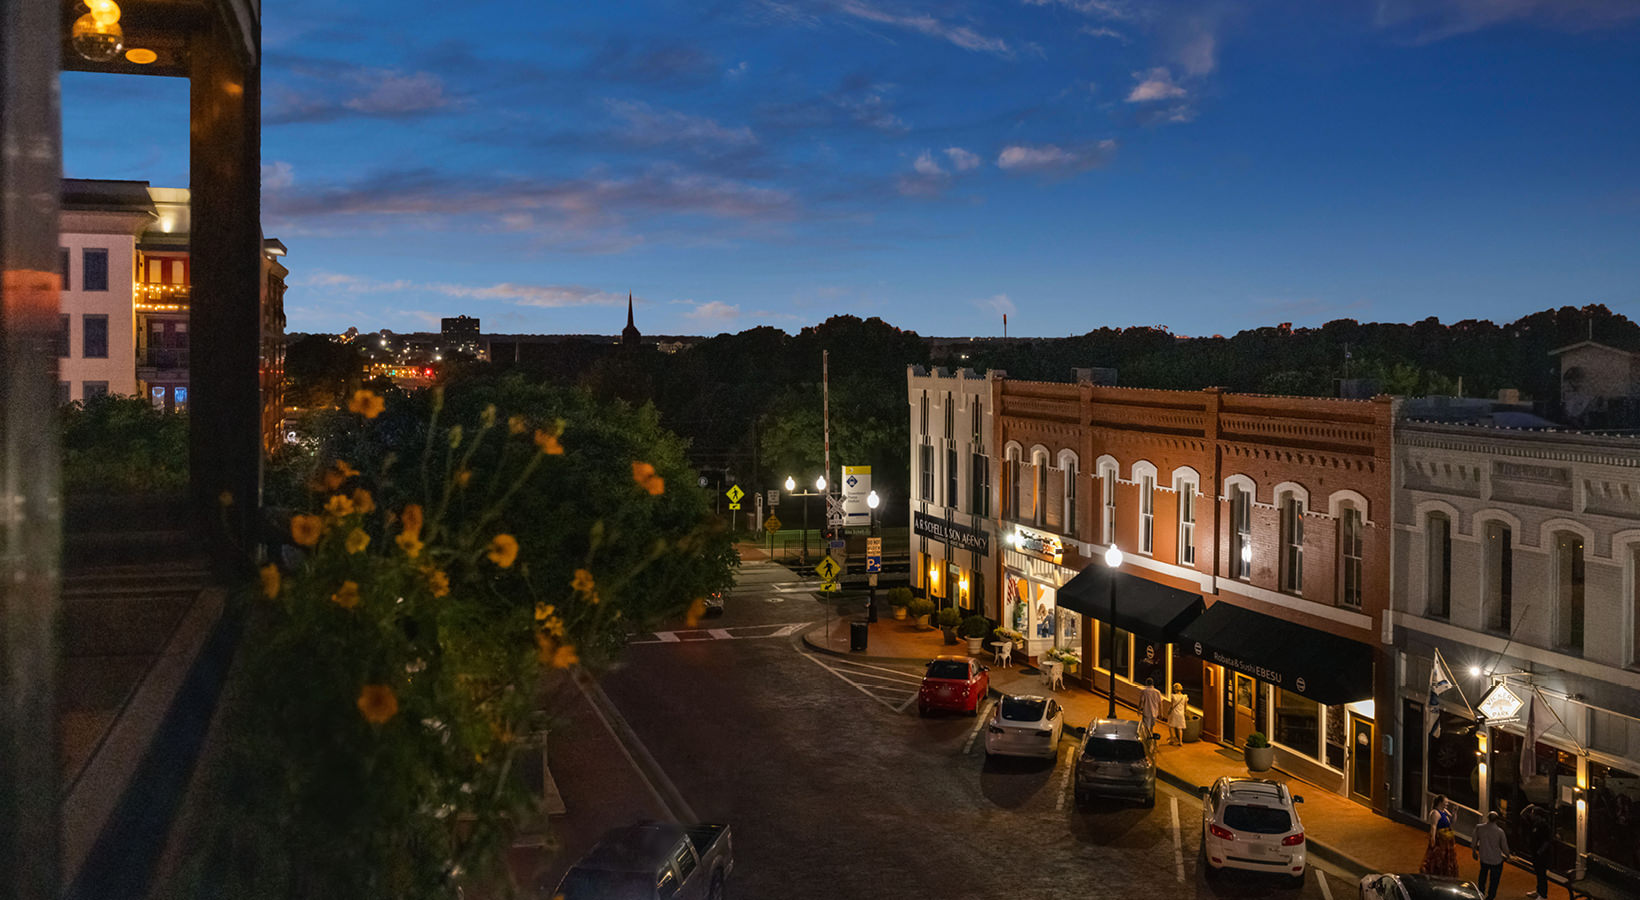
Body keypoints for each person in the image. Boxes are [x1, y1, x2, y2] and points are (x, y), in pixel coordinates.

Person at [1473, 810, 1510, 900]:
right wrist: (1508, 856)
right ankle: (1490, 897)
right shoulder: (1500, 832)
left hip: (1484, 858)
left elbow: (1474, 841)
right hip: (1496, 860)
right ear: (1497, 820)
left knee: (1482, 876)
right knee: (1494, 881)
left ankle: (1480, 893)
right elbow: (1504, 847)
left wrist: (1474, 851)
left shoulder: (1479, 828)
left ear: (1488, 818)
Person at [1420, 795, 1459, 877]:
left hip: (1447, 840)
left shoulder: (1444, 811)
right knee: (1438, 858)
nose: (1447, 804)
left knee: (1446, 858)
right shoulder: (1435, 813)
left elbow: (1452, 821)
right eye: (1446, 802)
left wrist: (1455, 812)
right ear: (1440, 802)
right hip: (1440, 840)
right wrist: (1432, 839)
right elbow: (1433, 827)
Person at [1522, 802, 1553, 899]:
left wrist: (1540, 852)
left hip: (1541, 855)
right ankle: (1539, 891)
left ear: (1538, 816)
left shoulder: (1544, 826)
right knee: (1538, 873)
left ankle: (1543, 895)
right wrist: (1528, 807)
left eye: (1533, 814)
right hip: (1535, 853)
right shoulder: (1535, 823)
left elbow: (1547, 840)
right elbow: (1522, 815)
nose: (1531, 815)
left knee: (1542, 874)